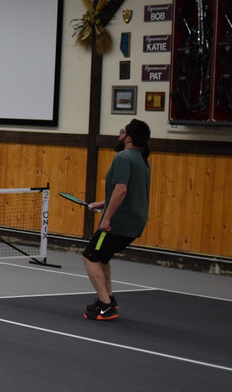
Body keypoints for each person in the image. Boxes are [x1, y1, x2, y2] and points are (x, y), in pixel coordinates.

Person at [83, 119, 151, 321]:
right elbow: (130, 193)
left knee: (90, 256)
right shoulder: (142, 160)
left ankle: (106, 306)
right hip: (135, 221)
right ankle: (108, 299)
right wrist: (103, 203)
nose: (119, 135)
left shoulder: (122, 157)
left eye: (122, 132)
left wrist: (107, 218)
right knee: (102, 257)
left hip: (119, 222)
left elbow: (121, 190)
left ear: (128, 138)